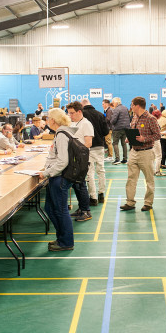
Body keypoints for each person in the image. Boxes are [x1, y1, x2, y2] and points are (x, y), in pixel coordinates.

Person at [37, 108, 76, 251]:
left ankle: (66, 242)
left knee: (60, 210)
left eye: (48, 118)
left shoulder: (61, 135)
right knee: (50, 208)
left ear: (53, 120)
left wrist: (46, 173)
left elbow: (62, 161)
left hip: (60, 177)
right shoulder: (61, 133)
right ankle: (61, 237)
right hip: (57, 176)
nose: (47, 120)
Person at [121, 97, 161, 212]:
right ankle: (130, 202)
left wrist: (145, 139)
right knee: (131, 179)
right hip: (133, 152)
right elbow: (134, 132)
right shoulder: (134, 117)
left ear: (137, 106)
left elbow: (158, 135)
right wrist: (129, 139)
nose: (131, 107)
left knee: (149, 179)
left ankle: (148, 203)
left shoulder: (151, 119)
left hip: (146, 152)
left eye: (132, 105)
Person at [65, 101, 95, 222]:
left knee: (80, 184)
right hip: (74, 158)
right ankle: (81, 208)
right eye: (69, 113)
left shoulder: (86, 124)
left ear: (79, 112)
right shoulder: (73, 123)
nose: (70, 115)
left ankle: (86, 211)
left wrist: (74, 149)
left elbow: (88, 143)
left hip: (81, 159)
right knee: (76, 185)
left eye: (72, 113)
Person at [81, 99, 109, 205]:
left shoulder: (82, 115)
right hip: (99, 146)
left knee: (90, 173)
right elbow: (106, 131)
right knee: (101, 170)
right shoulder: (100, 114)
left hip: (88, 146)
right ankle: (101, 194)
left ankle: (93, 198)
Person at [110, 97, 131, 164]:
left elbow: (113, 120)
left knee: (115, 143)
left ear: (116, 102)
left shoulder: (116, 109)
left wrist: (111, 122)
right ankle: (125, 159)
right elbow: (129, 118)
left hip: (117, 129)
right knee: (124, 143)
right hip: (126, 128)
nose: (113, 104)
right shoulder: (125, 108)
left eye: (113, 103)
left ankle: (117, 159)